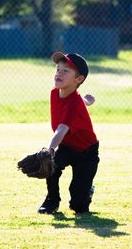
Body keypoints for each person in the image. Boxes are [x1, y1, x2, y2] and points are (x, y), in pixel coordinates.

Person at [38, 52, 100, 214]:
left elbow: (61, 129)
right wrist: (88, 101)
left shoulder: (75, 104)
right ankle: (52, 200)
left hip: (86, 152)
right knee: (52, 168)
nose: (59, 73)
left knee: (78, 207)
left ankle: (86, 192)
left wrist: (50, 149)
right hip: (67, 146)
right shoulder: (54, 93)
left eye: (66, 71)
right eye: (58, 69)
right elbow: (78, 100)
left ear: (78, 79)